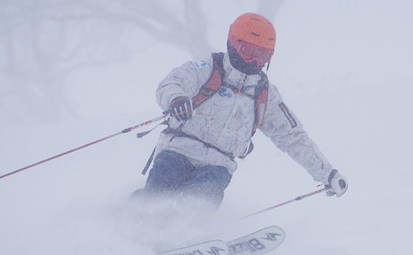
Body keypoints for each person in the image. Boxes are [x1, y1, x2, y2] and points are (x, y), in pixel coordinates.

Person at [139, 12, 348, 209]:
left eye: (263, 56)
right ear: (232, 43)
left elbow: (293, 137)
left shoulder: (265, 94)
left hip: (217, 164)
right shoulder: (208, 68)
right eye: (249, 53)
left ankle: (188, 237)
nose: (254, 62)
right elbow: (172, 83)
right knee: (158, 197)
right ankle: (137, 222)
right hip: (178, 150)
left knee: (199, 204)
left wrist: (327, 174)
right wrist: (176, 99)